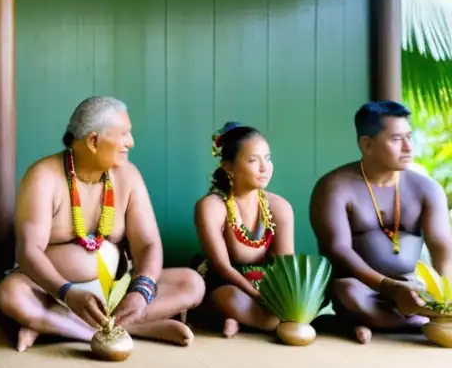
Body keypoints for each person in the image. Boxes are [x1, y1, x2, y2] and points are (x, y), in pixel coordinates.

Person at [0, 96, 205, 352]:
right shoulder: (43, 176)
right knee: (10, 294)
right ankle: (121, 331)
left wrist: (141, 292)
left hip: (113, 294)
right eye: (124, 134)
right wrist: (67, 293)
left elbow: (148, 244)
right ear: (93, 141)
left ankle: (63, 327)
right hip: (53, 291)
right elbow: (28, 251)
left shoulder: (128, 176)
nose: (131, 142)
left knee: (191, 283)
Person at [310, 100, 452, 344]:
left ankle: (374, 324)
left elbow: (443, 249)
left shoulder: (426, 189)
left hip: (414, 286)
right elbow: (338, 250)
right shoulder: (335, 187)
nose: (408, 147)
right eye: (396, 140)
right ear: (367, 144)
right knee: (347, 291)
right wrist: (392, 289)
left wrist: (444, 298)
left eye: (409, 137)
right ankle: (419, 323)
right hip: (363, 288)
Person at [192, 122, 294, 337]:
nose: (264, 168)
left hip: (266, 286)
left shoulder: (279, 207)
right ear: (228, 167)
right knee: (231, 298)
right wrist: (257, 296)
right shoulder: (211, 206)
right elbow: (222, 267)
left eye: (268, 158)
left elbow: (284, 265)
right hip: (226, 284)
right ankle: (239, 317)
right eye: (253, 160)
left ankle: (241, 320)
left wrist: (284, 296)